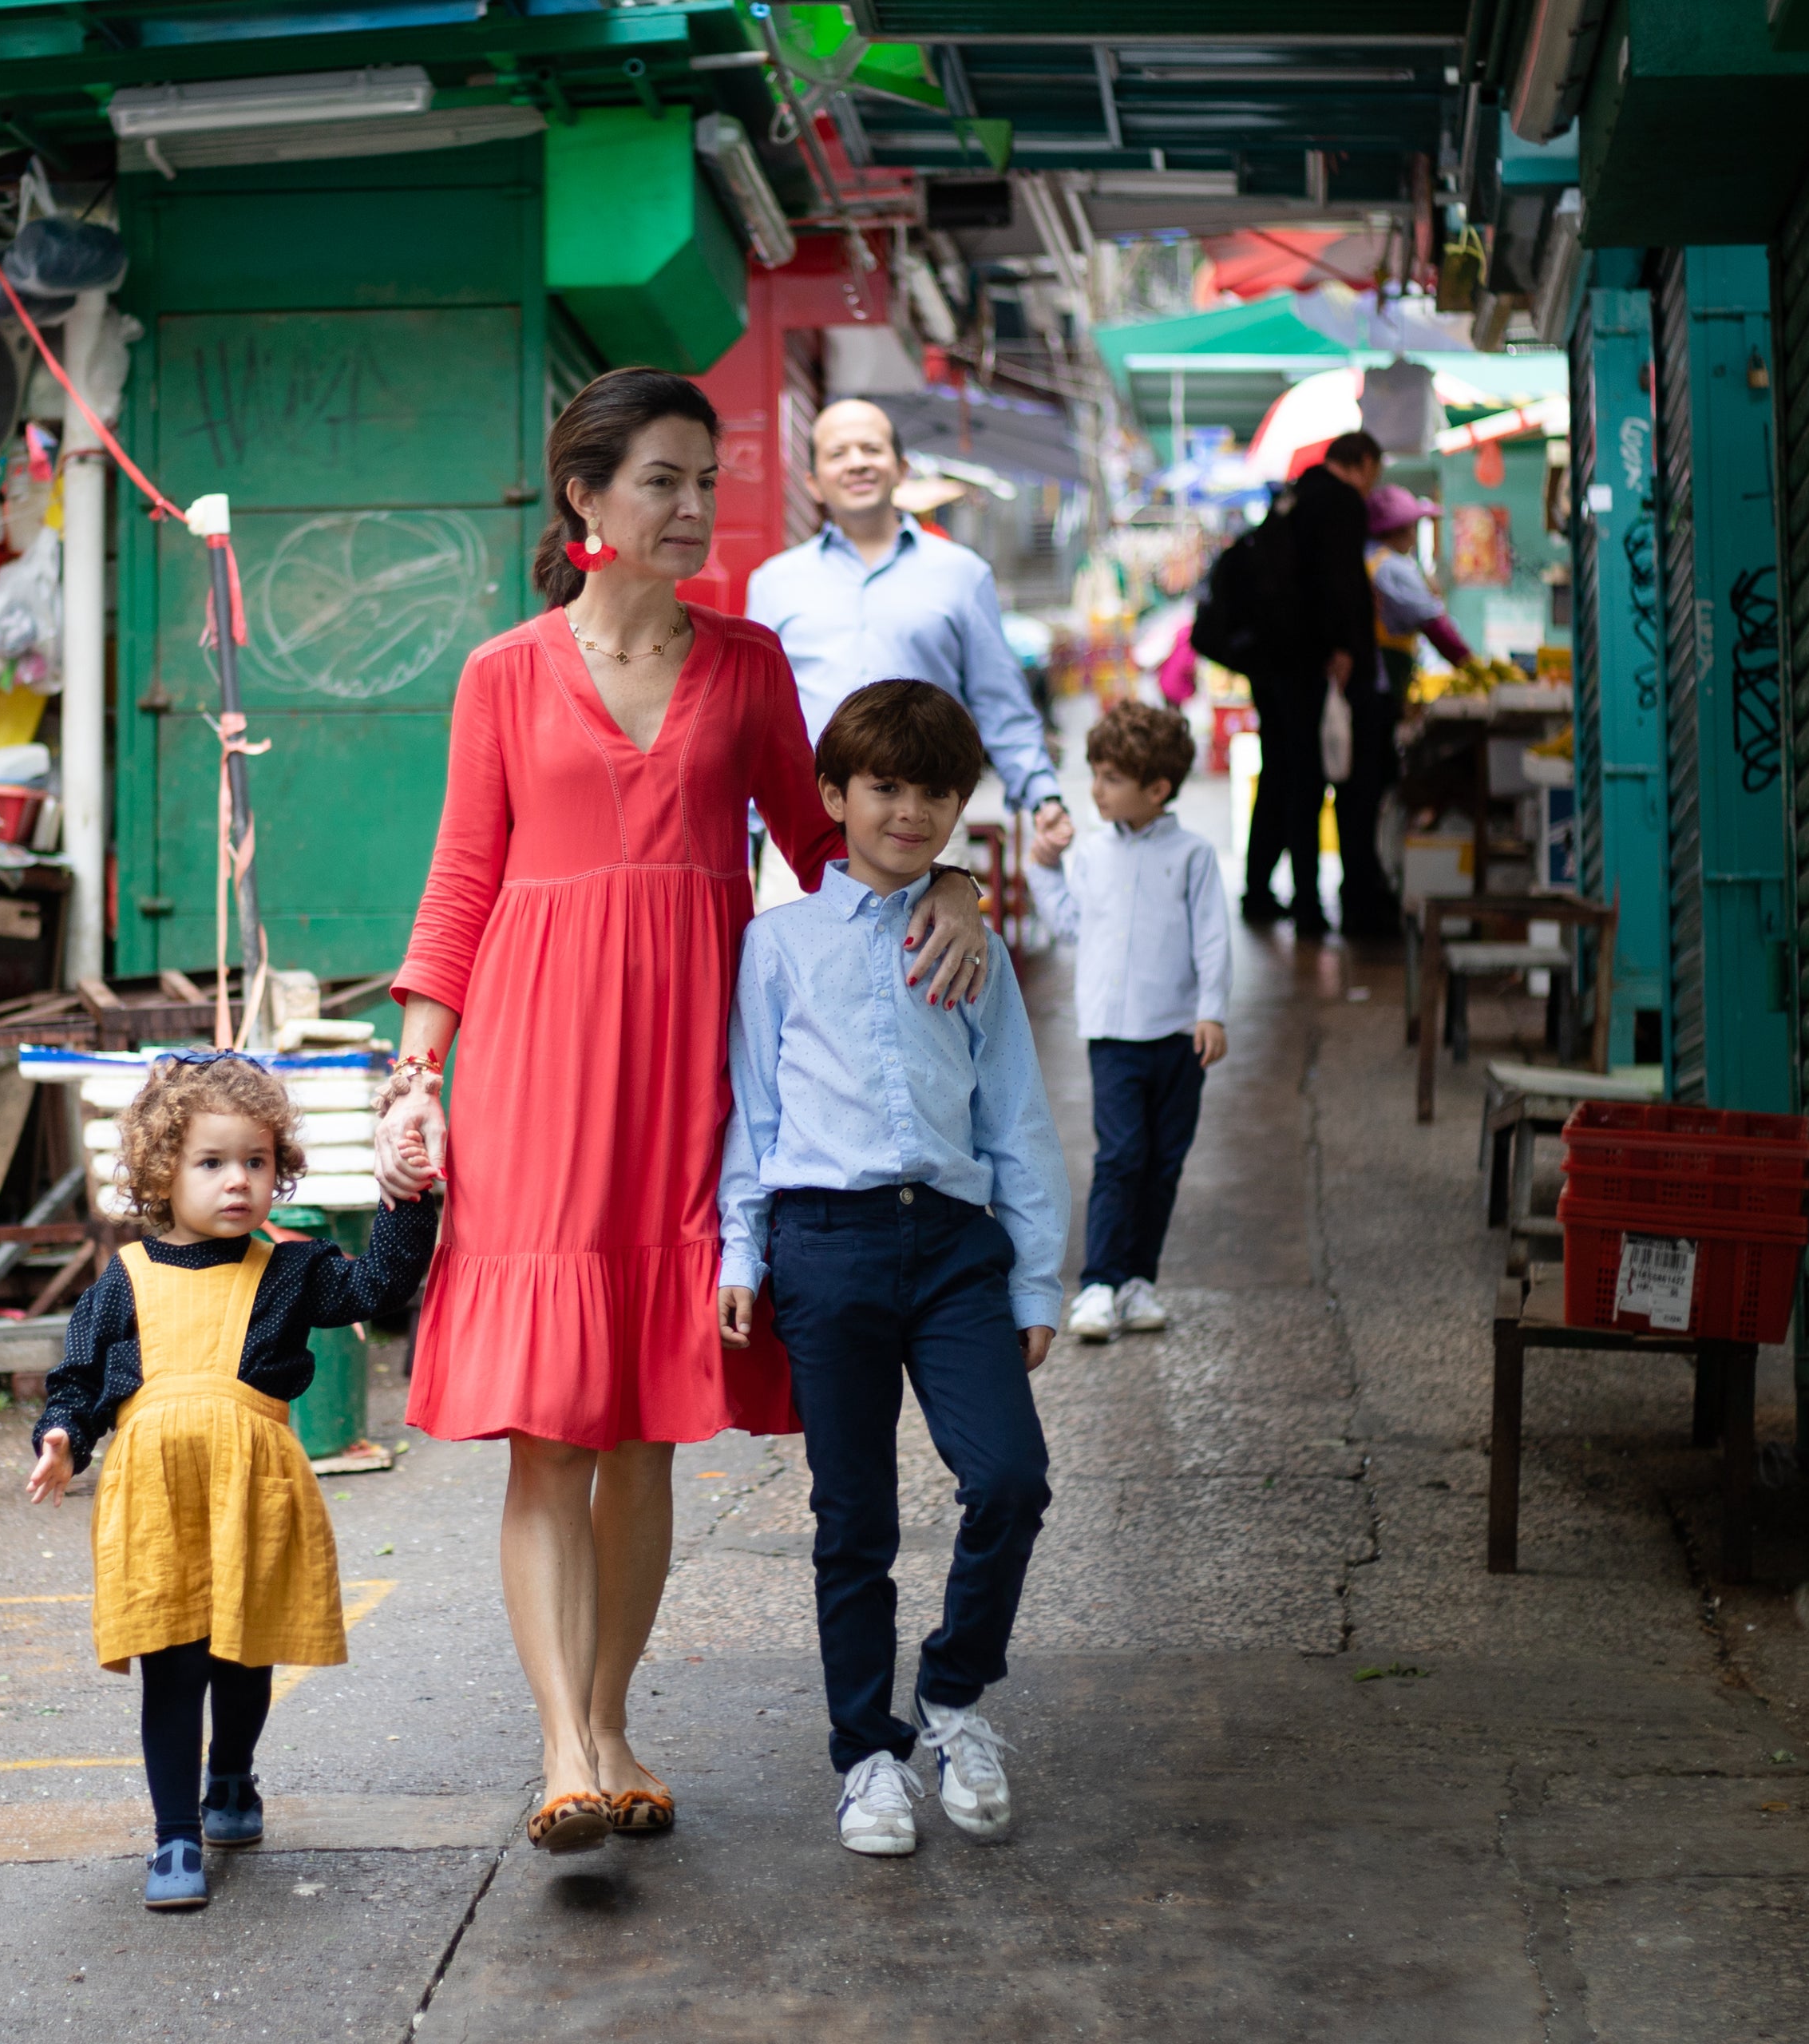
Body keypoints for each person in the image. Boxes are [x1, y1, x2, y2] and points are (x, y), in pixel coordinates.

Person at [375, 369, 993, 1859]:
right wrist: (416, 1078)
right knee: (551, 1429)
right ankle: (563, 1748)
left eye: (706, 479)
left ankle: (617, 1721)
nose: (693, 506)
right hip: (532, 1060)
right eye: (662, 478)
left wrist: (960, 879)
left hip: (695, 1068)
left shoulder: (750, 665)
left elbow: (835, 837)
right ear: (586, 498)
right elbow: (464, 879)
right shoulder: (504, 674)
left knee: (648, 1425)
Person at [716, 680, 1068, 1860]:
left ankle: (956, 1695)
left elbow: (1017, 1116)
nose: (909, 812)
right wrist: (741, 1247)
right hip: (827, 1250)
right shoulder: (778, 946)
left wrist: (1035, 1281)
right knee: (852, 1517)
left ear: (961, 805)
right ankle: (866, 1753)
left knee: (1010, 1477)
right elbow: (751, 1117)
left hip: (958, 1252)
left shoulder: (973, 942)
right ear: (832, 798)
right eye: (883, 788)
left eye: (935, 792)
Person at [27, 1054, 439, 1911]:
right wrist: (63, 1435)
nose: (236, 1182)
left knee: (243, 1649)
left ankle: (232, 1775)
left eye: (254, 1162)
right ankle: (175, 1834)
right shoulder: (126, 1280)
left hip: (254, 1490)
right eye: (210, 1163)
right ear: (160, 1171)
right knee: (171, 1661)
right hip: (156, 1498)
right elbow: (76, 1378)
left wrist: (406, 1196)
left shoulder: (288, 1270)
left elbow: (377, 1283)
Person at [746, 398, 1071, 905]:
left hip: (925, 822)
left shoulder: (961, 574)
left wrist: (1041, 796)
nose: (856, 462)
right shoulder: (774, 584)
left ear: (901, 467)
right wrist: (742, 833)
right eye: (838, 453)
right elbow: (754, 717)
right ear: (812, 481)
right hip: (803, 829)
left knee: (933, 977)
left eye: (871, 449)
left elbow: (998, 699)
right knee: (806, 979)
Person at [1025, 702, 1230, 1345]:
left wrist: (1212, 1012)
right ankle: (1098, 1284)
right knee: (1120, 1157)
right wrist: (1040, 867)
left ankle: (1140, 1280)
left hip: (1178, 1037)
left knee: (1164, 1161)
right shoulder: (1090, 855)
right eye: (1097, 774)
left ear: (1157, 789)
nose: (1097, 790)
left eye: (1112, 778)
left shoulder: (1193, 856)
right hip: (1113, 1038)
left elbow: (1214, 941)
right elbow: (1069, 924)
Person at [1242, 429, 1382, 935]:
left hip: (1275, 664)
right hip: (1314, 665)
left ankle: (1273, 893)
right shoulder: (1340, 501)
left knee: (1285, 776)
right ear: (1363, 463)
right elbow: (1337, 581)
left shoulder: (1294, 497)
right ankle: (1312, 905)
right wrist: (1343, 647)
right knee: (1315, 781)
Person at [1337, 483, 1475, 938]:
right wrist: (1474, 668)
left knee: (1359, 797)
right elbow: (1435, 625)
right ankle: (1367, 896)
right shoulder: (1393, 567)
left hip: (1364, 693)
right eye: (1414, 524)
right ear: (1400, 528)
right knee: (1372, 794)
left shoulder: (1364, 558)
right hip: (1374, 695)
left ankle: (1362, 891)